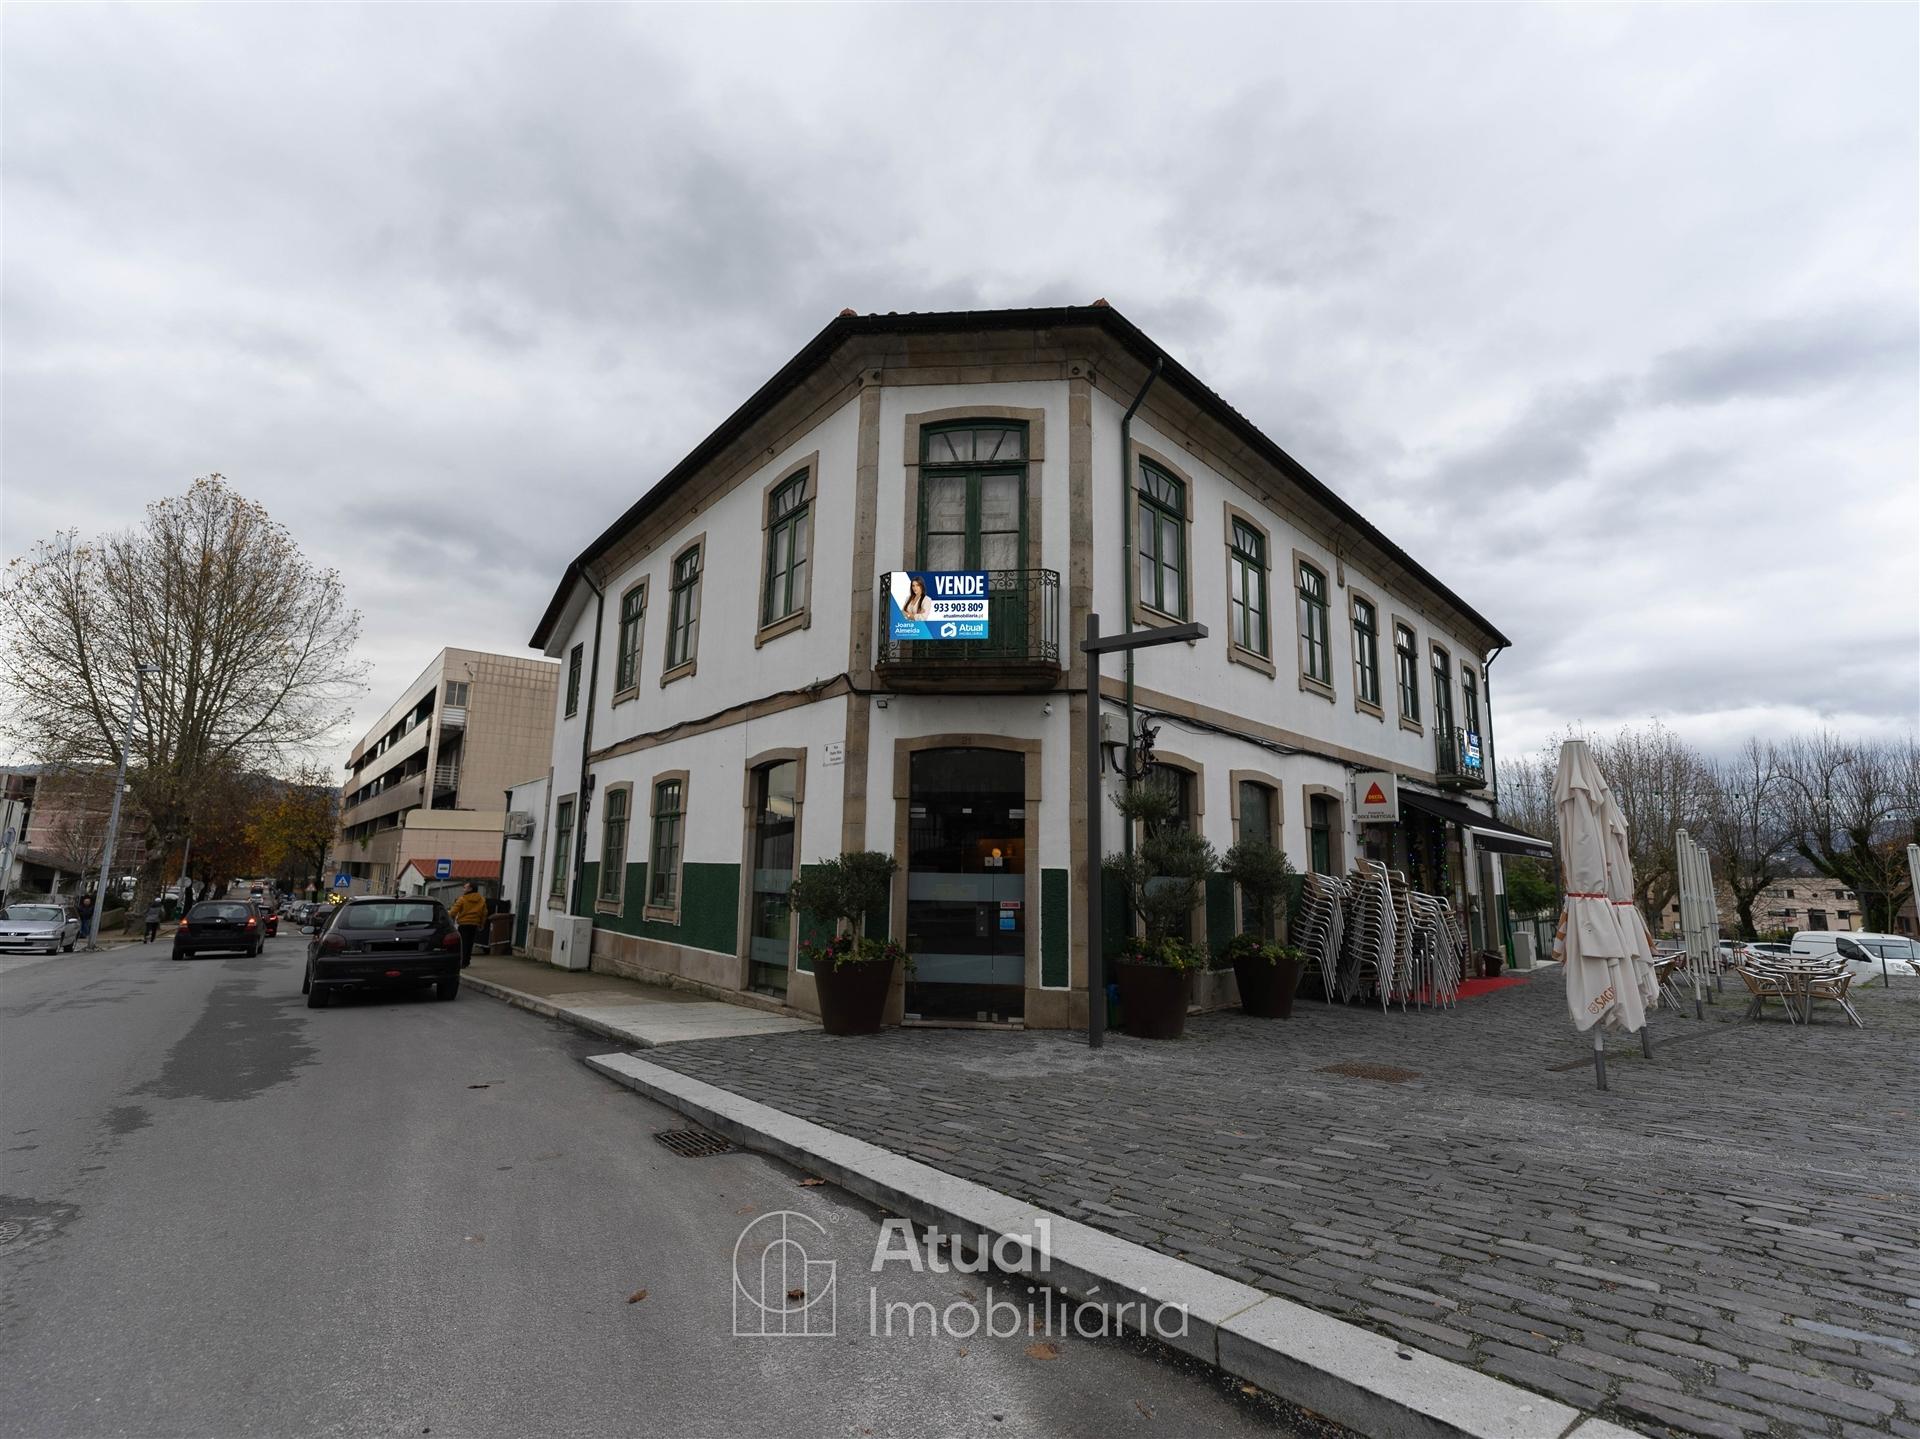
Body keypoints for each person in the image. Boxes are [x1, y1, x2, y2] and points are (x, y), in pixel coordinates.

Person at [447, 882, 489, 969]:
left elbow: (453, 912)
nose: (463, 889)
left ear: (470, 889)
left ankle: (462, 962)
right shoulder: (481, 900)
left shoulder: (462, 899)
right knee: (470, 943)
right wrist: (481, 924)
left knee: (463, 943)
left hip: (463, 924)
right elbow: (484, 913)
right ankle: (467, 961)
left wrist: (449, 917)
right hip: (474, 924)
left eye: (465, 887)